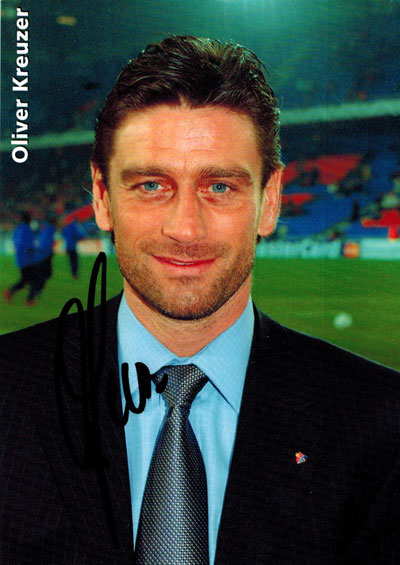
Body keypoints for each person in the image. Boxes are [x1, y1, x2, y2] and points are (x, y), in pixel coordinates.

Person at [1, 36, 400, 565]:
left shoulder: (382, 423)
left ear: (270, 201)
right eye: (151, 185)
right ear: (101, 196)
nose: (186, 229)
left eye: (220, 187)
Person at [2, 211, 38, 305]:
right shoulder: (26, 229)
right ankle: (29, 299)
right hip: (27, 259)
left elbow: (17, 243)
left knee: (26, 280)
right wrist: (32, 251)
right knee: (33, 279)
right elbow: (27, 245)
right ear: (28, 219)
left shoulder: (19, 229)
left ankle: (11, 292)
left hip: (21, 258)